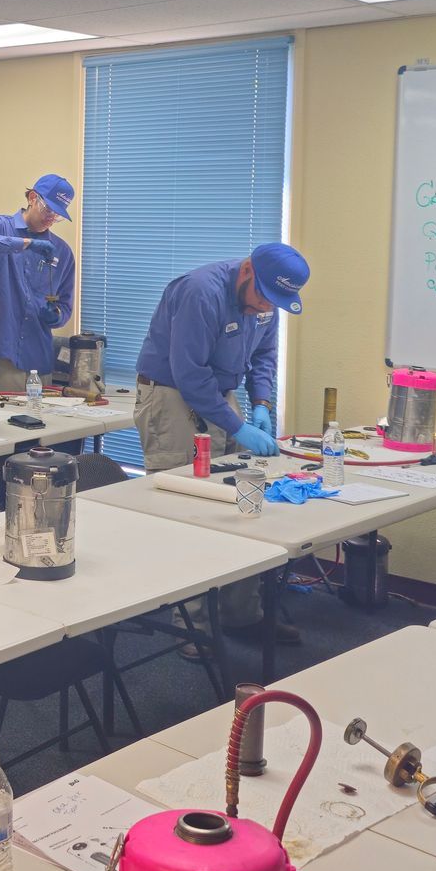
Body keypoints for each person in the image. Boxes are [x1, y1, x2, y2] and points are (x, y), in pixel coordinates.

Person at [134, 243, 308, 635]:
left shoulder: (267, 301)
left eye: (275, 303)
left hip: (217, 394)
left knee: (243, 504)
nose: (265, 307)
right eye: (263, 297)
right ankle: (192, 627)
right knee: (188, 508)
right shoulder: (201, 292)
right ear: (246, 271)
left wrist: (261, 405)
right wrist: (236, 426)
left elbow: (264, 357)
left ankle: (241, 615)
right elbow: (189, 371)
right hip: (170, 394)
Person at [0, 174, 76, 390]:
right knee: (1, 421)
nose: (51, 218)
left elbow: (64, 306)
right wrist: (25, 243)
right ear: (32, 198)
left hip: (38, 359)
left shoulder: (61, 252)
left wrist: (55, 316)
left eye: (57, 215)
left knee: (43, 422)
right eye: (48, 209)